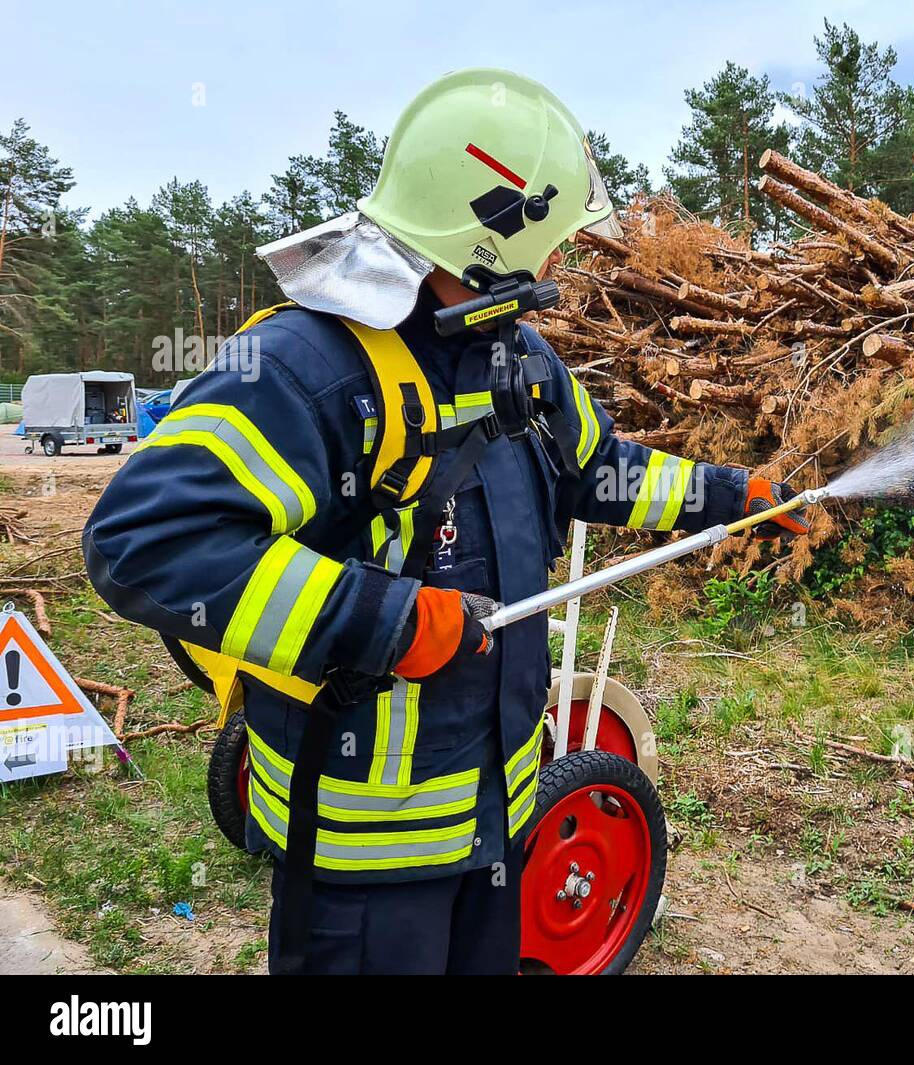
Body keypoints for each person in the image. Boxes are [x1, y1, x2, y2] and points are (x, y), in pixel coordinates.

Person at [83, 68, 807, 975]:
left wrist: (730, 495)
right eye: (548, 245)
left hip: (496, 819)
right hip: (362, 858)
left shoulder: (512, 354)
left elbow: (598, 470)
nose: (554, 269)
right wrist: (385, 621)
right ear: (489, 235)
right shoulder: (308, 365)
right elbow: (144, 540)